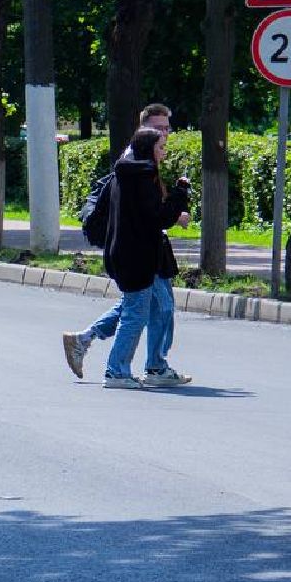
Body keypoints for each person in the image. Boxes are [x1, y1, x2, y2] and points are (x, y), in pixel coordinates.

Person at [64, 103, 178, 379]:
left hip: (143, 247)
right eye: (159, 128)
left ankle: (86, 339)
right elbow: (148, 213)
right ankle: (146, 367)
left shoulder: (142, 160)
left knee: (142, 305)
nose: (165, 134)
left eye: (167, 128)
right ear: (145, 130)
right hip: (139, 250)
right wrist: (176, 206)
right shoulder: (136, 164)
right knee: (154, 306)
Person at [94, 127, 191, 388]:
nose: (164, 153)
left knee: (147, 309)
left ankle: (145, 367)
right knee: (135, 315)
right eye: (160, 147)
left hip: (125, 253)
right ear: (148, 149)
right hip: (137, 256)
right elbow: (157, 217)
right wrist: (180, 193)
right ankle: (116, 371)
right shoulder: (143, 175)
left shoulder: (124, 174)